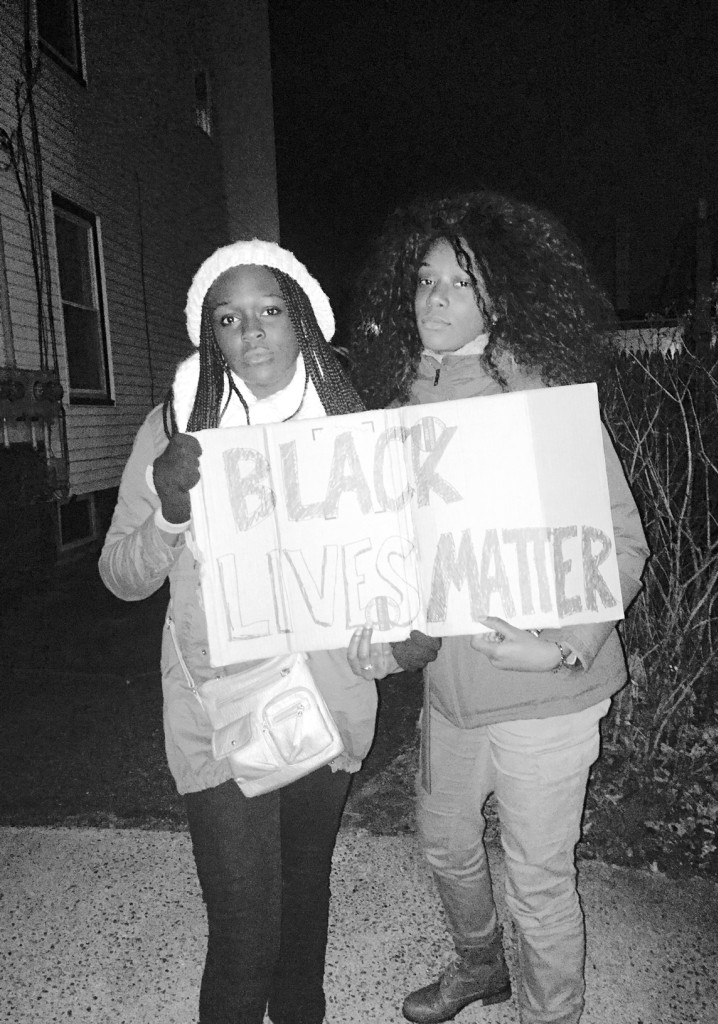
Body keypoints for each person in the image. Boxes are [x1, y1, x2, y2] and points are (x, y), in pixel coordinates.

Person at [345, 192, 649, 1024]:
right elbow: (396, 556)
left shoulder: (540, 401)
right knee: (445, 847)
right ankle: (481, 968)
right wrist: (378, 622)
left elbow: (623, 542)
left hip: (549, 691)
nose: (435, 298)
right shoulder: (399, 415)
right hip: (452, 691)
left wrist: (562, 646)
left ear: (496, 299)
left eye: (459, 281)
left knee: (539, 880)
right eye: (424, 279)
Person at [99, 239, 378, 1024]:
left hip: (326, 707)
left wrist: (400, 642)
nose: (251, 331)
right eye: (229, 318)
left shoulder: (352, 430)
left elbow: (387, 582)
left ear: (305, 323)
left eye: (269, 311)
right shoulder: (173, 430)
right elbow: (122, 574)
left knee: (303, 904)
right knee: (246, 927)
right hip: (218, 713)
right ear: (210, 337)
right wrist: (171, 511)